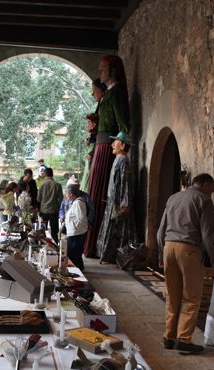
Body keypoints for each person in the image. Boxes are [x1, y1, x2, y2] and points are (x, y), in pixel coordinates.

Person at [157, 173, 214, 354]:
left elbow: (160, 231)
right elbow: (207, 235)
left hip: (169, 247)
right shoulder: (204, 200)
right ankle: (184, 339)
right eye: (212, 188)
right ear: (206, 184)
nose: (212, 192)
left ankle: (169, 337)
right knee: (191, 297)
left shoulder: (173, 198)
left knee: (172, 295)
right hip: (189, 250)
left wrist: (161, 254)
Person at [84, 55, 130, 258]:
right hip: (101, 147)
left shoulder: (116, 92)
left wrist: (119, 147)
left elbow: (123, 125)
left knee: (100, 194)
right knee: (94, 193)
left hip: (107, 149)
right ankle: (91, 242)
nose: (100, 71)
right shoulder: (109, 94)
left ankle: (97, 244)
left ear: (112, 71)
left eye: (102, 68)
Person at [97, 131, 136, 263]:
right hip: (112, 202)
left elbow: (126, 182)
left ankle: (120, 258)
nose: (112, 144)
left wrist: (125, 203)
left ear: (123, 145)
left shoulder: (124, 160)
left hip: (119, 203)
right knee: (111, 231)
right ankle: (109, 256)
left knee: (119, 232)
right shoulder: (118, 160)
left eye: (116, 142)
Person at [63, 185, 89, 272]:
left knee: (73, 253)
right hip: (75, 232)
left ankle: (76, 271)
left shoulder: (78, 203)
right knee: (75, 253)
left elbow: (81, 218)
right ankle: (79, 269)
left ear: (71, 194)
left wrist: (75, 227)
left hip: (76, 233)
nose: (66, 195)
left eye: (66, 193)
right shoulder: (76, 202)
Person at [37, 167, 63, 244]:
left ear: (45, 175)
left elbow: (38, 199)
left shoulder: (41, 185)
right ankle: (55, 247)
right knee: (54, 231)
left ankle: (43, 246)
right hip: (54, 211)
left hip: (43, 211)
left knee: (43, 231)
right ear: (52, 174)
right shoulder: (57, 185)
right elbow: (61, 200)